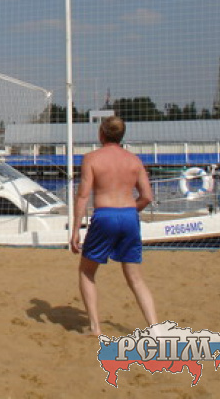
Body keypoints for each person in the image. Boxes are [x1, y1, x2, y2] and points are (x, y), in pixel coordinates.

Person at [71, 116, 158, 336]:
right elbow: (147, 197)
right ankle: (155, 329)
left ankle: (95, 327)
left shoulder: (92, 158)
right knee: (135, 278)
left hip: (105, 214)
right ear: (121, 135)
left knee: (87, 271)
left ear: (101, 134)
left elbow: (83, 196)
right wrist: (130, 210)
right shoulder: (134, 160)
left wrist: (75, 230)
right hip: (129, 214)